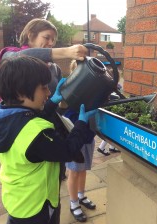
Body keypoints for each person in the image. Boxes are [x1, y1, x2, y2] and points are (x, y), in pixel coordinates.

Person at [0, 56, 97, 224]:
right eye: (44, 88)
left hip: (17, 200)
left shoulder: (1, 114)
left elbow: (25, 119)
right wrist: (80, 124)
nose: (49, 92)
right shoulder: (35, 132)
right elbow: (67, 150)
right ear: (21, 92)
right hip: (38, 206)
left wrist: (52, 103)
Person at [63, 60, 96, 222]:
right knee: (74, 171)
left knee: (83, 170)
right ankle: (73, 202)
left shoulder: (93, 90)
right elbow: (65, 114)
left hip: (88, 136)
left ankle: (81, 196)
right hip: (75, 137)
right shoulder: (70, 91)